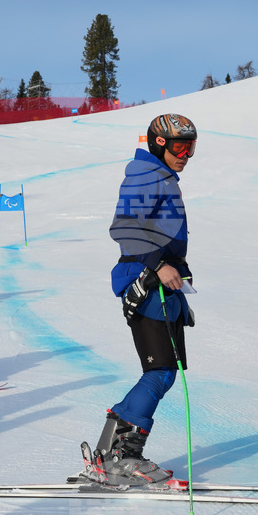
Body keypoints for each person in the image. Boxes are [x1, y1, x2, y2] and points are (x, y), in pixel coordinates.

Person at [81, 114, 198, 487]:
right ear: (159, 144)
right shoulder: (146, 174)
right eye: (180, 146)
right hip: (146, 283)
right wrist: (159, 265)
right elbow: (125, 226)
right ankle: (124, 457)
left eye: (191, 147)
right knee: (160, 371)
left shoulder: (161, 177)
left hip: (162, 285)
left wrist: (179, 274)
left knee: (164, 372)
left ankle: (111, 449)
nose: (186, 154)